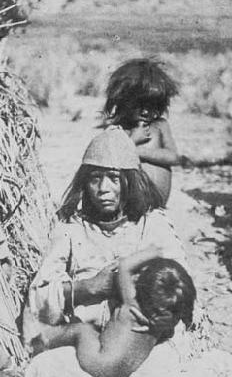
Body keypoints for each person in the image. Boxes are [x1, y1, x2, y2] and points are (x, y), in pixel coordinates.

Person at [25, 125, 190, 355]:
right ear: (84, 184)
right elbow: (37, 302)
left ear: (130, 182)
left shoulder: (153, 225)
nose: (103, 189)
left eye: (113, 178)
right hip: (84, 349)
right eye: (95, 179)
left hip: (146, 346)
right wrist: (88, 287)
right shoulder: (71, 231)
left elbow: (182, 290)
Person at [25, 246, 196, 377]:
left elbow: (125, 267)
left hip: (97, 363)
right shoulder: (164, 323)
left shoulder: (132, 303)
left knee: (82, 329)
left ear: (144, 287)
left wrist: (157, 253)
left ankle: (41, 342)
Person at [103, 58, 188, 206]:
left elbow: (173, 157)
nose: (146, 111)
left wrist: (137, 151)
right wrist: (133, 139)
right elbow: (110, 159)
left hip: (158, 205)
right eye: (139, 105)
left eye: (153, 106)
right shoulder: (118, 128)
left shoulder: (160, 125)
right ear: (124, 101)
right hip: (128, 205)